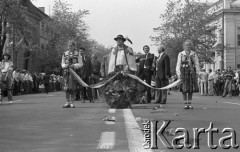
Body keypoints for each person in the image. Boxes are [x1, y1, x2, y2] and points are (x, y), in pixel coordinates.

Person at [176, 39, 200, 109]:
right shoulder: (181, 54)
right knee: (184, 89)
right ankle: (185, 104)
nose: (187, 46)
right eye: (186, 45)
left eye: (189, 45)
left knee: (190, 89)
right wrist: (178, 73)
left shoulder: (194, 54)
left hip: (191, 72)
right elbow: (178, 64)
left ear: (191, 46)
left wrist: (198, 73)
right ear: (184, 46)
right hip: (183, 72)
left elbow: (197, 64)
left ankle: (189, 103)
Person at [61, 40, 83, 108]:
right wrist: (65, 65)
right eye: (69, 46)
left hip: (74, 73)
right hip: (66, 73)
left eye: (71, 46)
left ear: (74, 46)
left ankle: (72, 102)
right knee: (66, 87)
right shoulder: (65, 54)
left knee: (74, 87)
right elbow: (62, 63)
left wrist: (74, 65)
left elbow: (81, 64)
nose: (70, 47)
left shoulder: (77, 54)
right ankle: (67, 102)